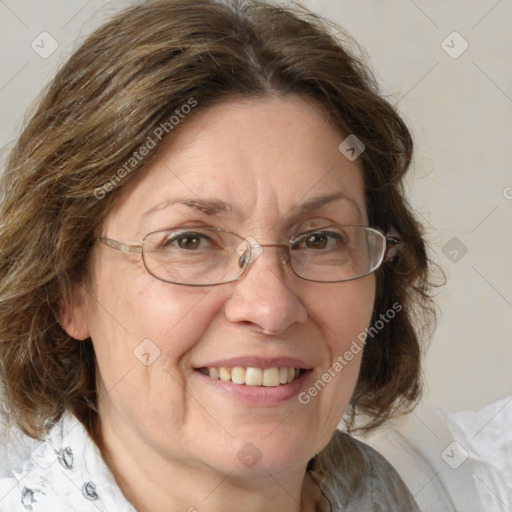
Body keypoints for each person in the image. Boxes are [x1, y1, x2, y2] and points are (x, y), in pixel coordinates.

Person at [0, 0, 434, 510]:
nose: (271, 308)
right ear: (68, 289)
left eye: (319, 239)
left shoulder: (413, 491)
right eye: (190, 240)